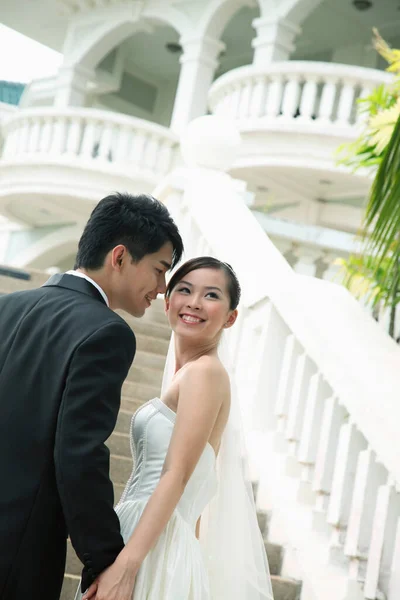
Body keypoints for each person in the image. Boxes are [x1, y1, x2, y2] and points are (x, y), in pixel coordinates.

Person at [0, 192, 183, 600]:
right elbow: (79, 454)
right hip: (17, 554)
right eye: (158, 269)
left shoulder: (5, 306)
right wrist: (104, 559)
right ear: (119, 257)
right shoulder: (106, 332)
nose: (162, 287)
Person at [82, 257, 273, 600]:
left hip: (151, 551)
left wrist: (127, 568)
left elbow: (178, 474)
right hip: (151, 540)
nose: (195, 302)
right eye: (184, 290)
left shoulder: (205, 373)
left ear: (231, 317)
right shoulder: (190, 374)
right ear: (168, 302)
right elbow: (198, 482)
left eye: (211, 295)